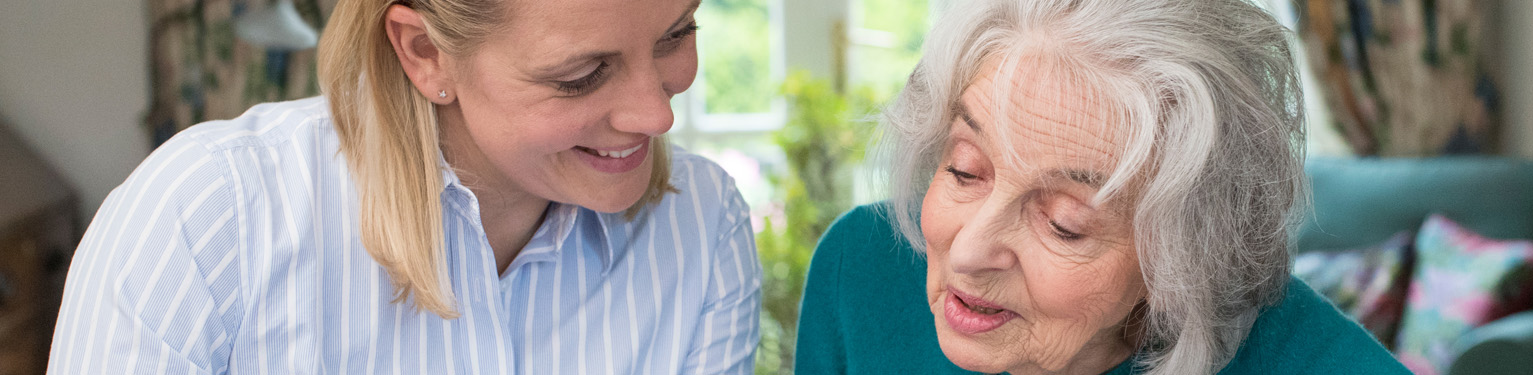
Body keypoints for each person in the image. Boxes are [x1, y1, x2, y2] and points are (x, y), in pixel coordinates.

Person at [47, 0, 761, 373]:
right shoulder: (207, 221)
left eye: (676, 33)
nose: (657, 112)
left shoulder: (701, 226)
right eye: (580, 75)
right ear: (424, 52)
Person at [794, 0, 1410, 374]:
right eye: (964, 169)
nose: (969, 251)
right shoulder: (862, 270)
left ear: (1184, 260)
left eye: (1065, 223)